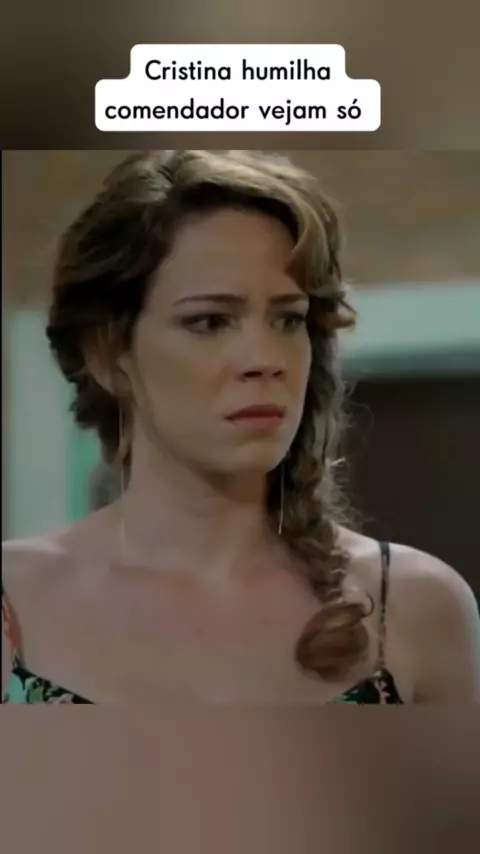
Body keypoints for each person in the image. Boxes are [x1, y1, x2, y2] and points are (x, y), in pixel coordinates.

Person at [2, 149, 479, 704]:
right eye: (209, 321)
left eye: (288, 320)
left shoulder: (414, 608)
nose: (264, 359)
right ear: (107, 355)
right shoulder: (15, 603)